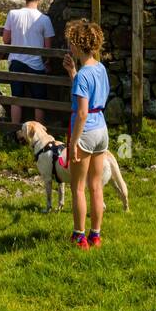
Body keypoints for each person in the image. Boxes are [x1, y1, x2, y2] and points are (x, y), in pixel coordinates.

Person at [62, 18, 111, 250]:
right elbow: (92, 99)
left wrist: (73, 142)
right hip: (101, 128)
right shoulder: (99, 68)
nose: (70, 47)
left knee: (78, 187)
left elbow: (81, 112)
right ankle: (96, 234)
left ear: (79, 45)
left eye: (72, 43)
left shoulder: (83, 76)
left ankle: (79, 236)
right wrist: (72, 72)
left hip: (86, 130)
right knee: (96, 185)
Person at [2, 0, 54, 126]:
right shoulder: (45, 20)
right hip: (36, 65)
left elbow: (6, 39)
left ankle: (16, 131)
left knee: (16, 98)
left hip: (16, 62)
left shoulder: (13, 14)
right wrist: (48, 62)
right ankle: (40, 135)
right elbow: (48, 48)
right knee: (39, 100)